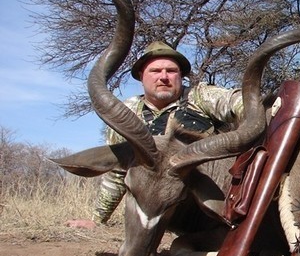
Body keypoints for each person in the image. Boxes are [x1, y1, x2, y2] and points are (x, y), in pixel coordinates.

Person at [67, 41, 243, 229]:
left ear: (181, 76)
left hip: (216, 200)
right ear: (142, 76)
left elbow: (238, 101)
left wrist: (254, 111)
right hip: (164, 212)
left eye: (171, 71)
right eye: (155, 71)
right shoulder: (127, 112)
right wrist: (97, 219)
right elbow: (118, 173)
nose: (164, 77)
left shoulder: (199, 96)